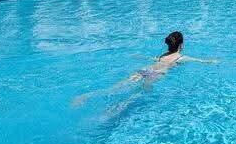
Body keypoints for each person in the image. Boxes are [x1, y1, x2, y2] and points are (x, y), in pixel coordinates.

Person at [71, 31, 219, 110]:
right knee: (136, 95)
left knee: (114, 88)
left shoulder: (163, 55)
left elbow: (153, 59)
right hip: (155, 75)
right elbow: (202, 61)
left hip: (144, 70)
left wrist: (139, 56)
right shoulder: (180, 58)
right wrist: (214, 61)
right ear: (181, 45)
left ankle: (85, 96)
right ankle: (114, 110)